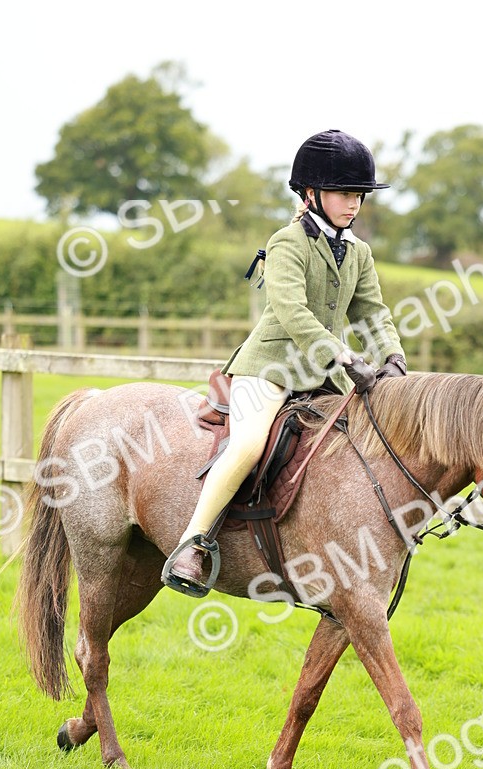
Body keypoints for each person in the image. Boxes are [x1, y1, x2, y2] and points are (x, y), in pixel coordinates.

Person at [161, 128, 407, 597]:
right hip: (270, 367)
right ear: (311, 193)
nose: (353, 204)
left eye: (359, 195)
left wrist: (393, 356)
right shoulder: (287, 243)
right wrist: (341, 353)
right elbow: (294, 312)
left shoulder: (359, 252)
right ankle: (193, 544)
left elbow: (372, 312)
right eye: (343, 193)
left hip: (321, 378)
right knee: (250, 443)